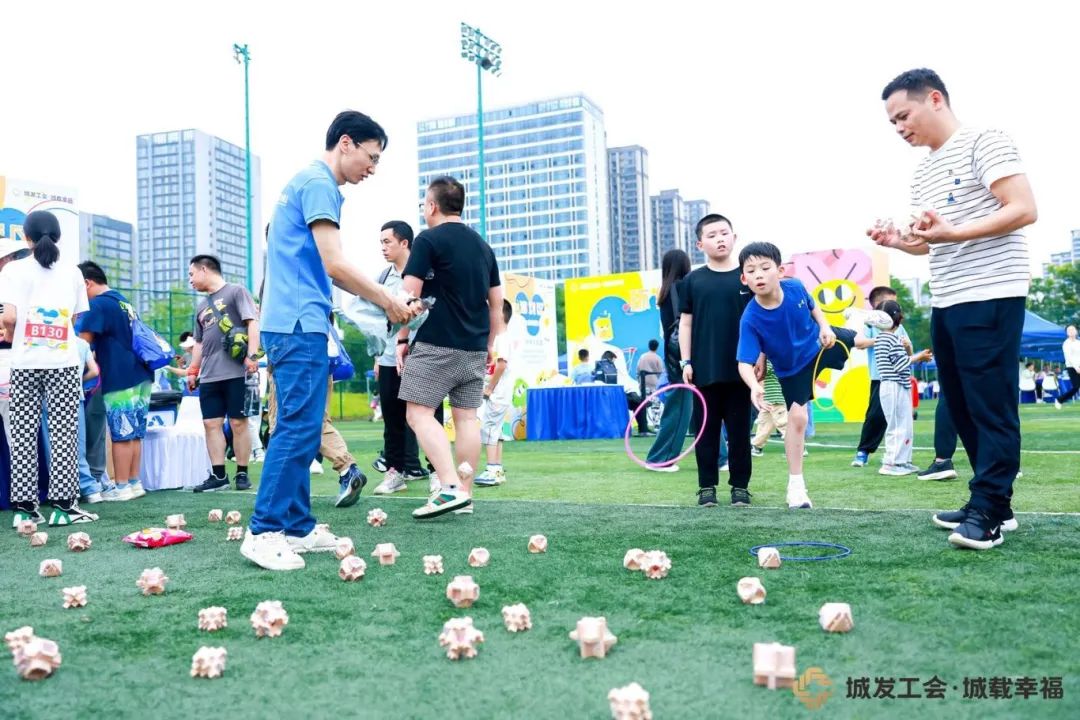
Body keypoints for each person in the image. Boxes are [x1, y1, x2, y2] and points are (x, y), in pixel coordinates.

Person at [869, 68, 1037, 550]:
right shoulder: (923, 170)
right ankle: (994, 502)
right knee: (960, 405)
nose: (899, 128)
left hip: (991, 290)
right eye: (892, 122)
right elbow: (932, 242)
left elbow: (1023, 208)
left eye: (904, 115)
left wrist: (953, 232)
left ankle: (988, 509)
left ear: (935, 99)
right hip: (947, 297)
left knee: (990, 404)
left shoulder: (985, 140)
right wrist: (899, 241)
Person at [243, 110, 414, 571]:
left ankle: (296, 525)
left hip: (299, 321)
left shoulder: (311, 183)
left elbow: (328, 268)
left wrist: (383, 299)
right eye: (371, 156)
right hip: (297, 323)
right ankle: (263, 531)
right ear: (346, 143)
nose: (372, 168)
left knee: (302, 426)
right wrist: (387, 299)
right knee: (297, 427)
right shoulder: (318, 183)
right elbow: (334, 263)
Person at [736, 242, 873, 509]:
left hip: (819, 343)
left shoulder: (796, 287)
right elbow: (744, 363)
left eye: (765, 268)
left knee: (859, 340)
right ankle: (796, 488)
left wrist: (825, 326)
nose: (759, 275)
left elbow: (813, 307)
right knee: (798, 418)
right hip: (792, 369)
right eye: (751, 271)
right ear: (744, 279)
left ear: (780, 271)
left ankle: (867, 325)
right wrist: (754, 385)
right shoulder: (750, 318)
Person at [397, 175, 503, 519]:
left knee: (418, 414)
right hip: (475, 346)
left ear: (432, 206)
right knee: (467, 418)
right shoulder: (483, 247)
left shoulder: (428, 240)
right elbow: (496, 305)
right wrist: (490, 344)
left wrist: (402, 338)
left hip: (436, 343)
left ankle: (449, 488)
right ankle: (465, 495)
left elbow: (408, 298)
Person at [0, 210, 98, 526]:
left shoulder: (13, 270)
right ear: (58, 237)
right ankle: (63, 509)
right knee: (64, 434)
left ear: (26, 237)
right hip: (63, 363)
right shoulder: (72, 272)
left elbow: (9, 317)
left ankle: (25, 511)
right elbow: (75, 318)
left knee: (23, 434)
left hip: (24, 363)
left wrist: (13, 337)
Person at [679, 214, 754, 507]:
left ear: (734, 237)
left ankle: (740, 487)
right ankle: (706, 487)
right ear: (700, 244)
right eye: (711, 235)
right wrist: (686, 362)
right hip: (704, 371)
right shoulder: (692, 281)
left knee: (739, 434)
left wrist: (759, 357)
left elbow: (759, 321)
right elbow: (685, 324)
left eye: (724, 233)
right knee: (706, 433)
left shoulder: (747, 277)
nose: (720, 239)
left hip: (741, 370)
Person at [77, 260, 152, 502]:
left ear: (87, 283)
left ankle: (120, 487)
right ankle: (134, 482)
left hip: (120, 375)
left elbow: (82, 343)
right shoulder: (122, 301)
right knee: (135, 432)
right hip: (141, 373)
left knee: (121, 432)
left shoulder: (97, 304)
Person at [186, 254, 261, 493]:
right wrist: (193, 370)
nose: (190, 280)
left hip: (237, 371)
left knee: (239, 423)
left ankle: (242, 472)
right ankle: (219, 475)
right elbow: (198, 343)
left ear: (204, 270)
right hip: (209, 375)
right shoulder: (201, 306)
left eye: (191, 274)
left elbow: (252, 322)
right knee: (211, 423)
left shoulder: (236, 291)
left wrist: (252, 356)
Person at [371, 220, 431, 494]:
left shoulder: (424, 274)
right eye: (381, 242)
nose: (383, 247)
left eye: (387, 242)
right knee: (392, 418)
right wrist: (377, 356)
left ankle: (436, 473)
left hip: (420, 355)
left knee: (428, 416)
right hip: (387, 357)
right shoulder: (383, 278)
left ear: (404, 243)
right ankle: (394, 473)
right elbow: (376, 319)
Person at [851, 286, 912, 467]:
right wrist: (884, 339)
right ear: (878, 304)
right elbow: (859, 343)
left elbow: (909, 351)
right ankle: (863, 451)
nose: (895, 307)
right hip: (881, 378)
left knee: (901, 419)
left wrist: (907, 345)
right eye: (891, 302)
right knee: (876, 416)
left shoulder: (899, 327)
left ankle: (900, 457)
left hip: (900, 379)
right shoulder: (871, 325)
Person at [645, 249, 693, 472]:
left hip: (676, 355)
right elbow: (682, 326)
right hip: (684, 356)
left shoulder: (666, 291)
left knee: (697, 407)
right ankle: (660, 458)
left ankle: (720, 457)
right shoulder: (681, 288)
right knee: (680, 406)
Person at [875, 300, 933, 476]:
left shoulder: (883, 338)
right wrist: (919, 356)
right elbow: (901, 365)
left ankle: (902, 461)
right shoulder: (890, 339)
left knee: (904, 425)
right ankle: (891, 463)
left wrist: (908, 349)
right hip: (894, 385)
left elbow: (902, 361)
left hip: (896, 385)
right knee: (898, 425)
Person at [475, 299, 514, 487]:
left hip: (497, 393)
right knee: (495, 431)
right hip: (500, 393)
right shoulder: (500, 338)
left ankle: (492, 469)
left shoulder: (502, 339)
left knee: (489, 429)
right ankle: (497, 468)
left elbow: (501, 365)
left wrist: (489, 388)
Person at [75, 336, 102, 503]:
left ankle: (62, 488)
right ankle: (89, 487)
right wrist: (78, 380)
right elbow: (94, 371)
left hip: (46, 397)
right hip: (75, 395)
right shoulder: (81, 343)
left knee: (52, 446)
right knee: (79, 445)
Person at [750, 361, 787, 456]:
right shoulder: (765, 361)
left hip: (776, 399)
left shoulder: (768, 361)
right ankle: (757, 447)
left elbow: (758, 372)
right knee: (764, 425)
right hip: (766, 401)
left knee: (783, 425)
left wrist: (749, 368)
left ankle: (798, 447)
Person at [1056, 325, 1080, 408]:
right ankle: (1060, 399)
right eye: (1069, 330)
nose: (1071, 331)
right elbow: (1069, 357)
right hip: (1072, 367)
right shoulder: (1066, 344)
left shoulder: (1078, 342)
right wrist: (1076, 367)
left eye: (1073, 329)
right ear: (1067, 333)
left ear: (1076, 331)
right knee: (1076, 387)